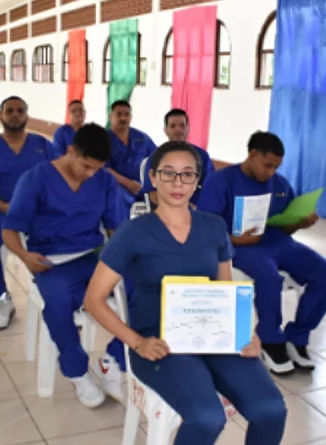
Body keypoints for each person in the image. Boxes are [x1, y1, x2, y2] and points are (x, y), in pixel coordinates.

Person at [83, 141, 287, 444]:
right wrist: (137, 343)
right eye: (168, 173)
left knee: (271, 409)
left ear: (198, 181)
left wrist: (244, 332)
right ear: (152, 178)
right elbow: (93, 299)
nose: (178, 183)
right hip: (158, 341)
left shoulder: (214, 227)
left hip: (214, 335)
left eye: (188, 174)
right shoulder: (133, 232)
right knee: (207, 417)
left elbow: (224, 290)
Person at [2, 123, 128, 407]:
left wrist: (120, 258)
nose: (91, 174)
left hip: (94, 256)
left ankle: (113, 359)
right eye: (86, 166)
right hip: (51, 261)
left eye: (97, 168)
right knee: (58, 302)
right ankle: (77, 370)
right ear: (71, 151)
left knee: (143, 288)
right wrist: (24, 257)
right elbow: (9, 229)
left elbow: (116, 229)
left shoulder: (105, 181)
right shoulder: (35, 179)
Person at [197, 131, 326, 375]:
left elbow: (286, 225)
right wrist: (235, 239)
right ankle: (271, 339)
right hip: (238, 245)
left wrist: (300, 223)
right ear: (252, 155)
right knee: (270, 278)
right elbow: (204, 229)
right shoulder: (221, 182)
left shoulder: (280, 185)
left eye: (276, 167)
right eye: (267, 165)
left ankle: (298, 336)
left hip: (277, 242)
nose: (270, 172)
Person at [0, 96, 56, 330]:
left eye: (20, 110)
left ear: (26, 115)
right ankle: (0, 299)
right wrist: (5, 207)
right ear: (0, 115)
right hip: (1, 208)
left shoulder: (43, 145)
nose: (15, 114)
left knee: (63, 234)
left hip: (39, 210)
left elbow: (60, 177)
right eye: (9, 111)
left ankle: (59, 298)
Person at [137, 108, 214, 208]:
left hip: (197, 214)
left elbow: (211, 190)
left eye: (182, 125)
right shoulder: (155, 157)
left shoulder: (202, 156)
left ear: (188, 128)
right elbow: (151, 195)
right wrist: (177, 209)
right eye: (173, 126)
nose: (178, 129)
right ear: (165, 130)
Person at [105, 100, 157, 209]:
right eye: (119, 114)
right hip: (117, 187)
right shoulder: (103, 139)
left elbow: (158, 158)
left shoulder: (142, 137)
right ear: (111, 117)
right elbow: (103, 168)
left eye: (126, 114)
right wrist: (129, 184)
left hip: (143, 187)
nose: (123, 118)